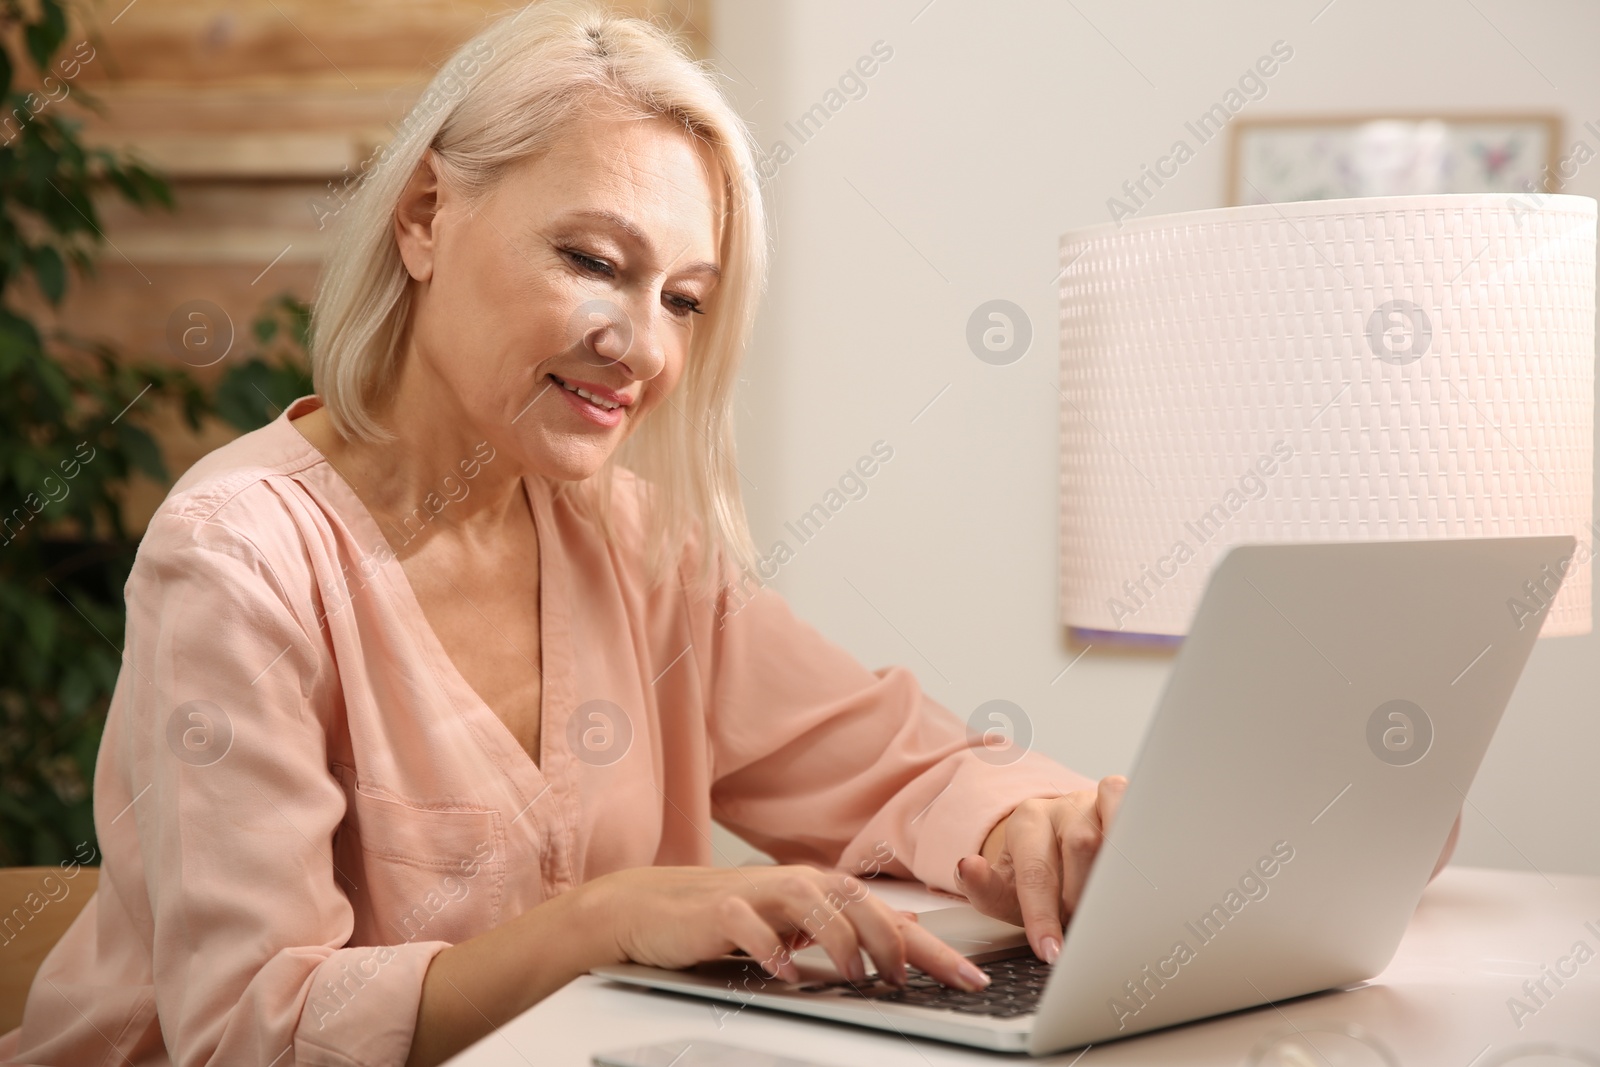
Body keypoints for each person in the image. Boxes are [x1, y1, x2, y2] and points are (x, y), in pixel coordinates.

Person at [0, 4, 1132, 1065]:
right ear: (426, 218)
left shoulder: (638, 546)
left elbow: (898, 760)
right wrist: (600, 920)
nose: (641, 347)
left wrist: (1034, 817)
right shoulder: (237, 558)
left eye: (683, 299)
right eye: (593, 261)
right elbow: (253, 1027)